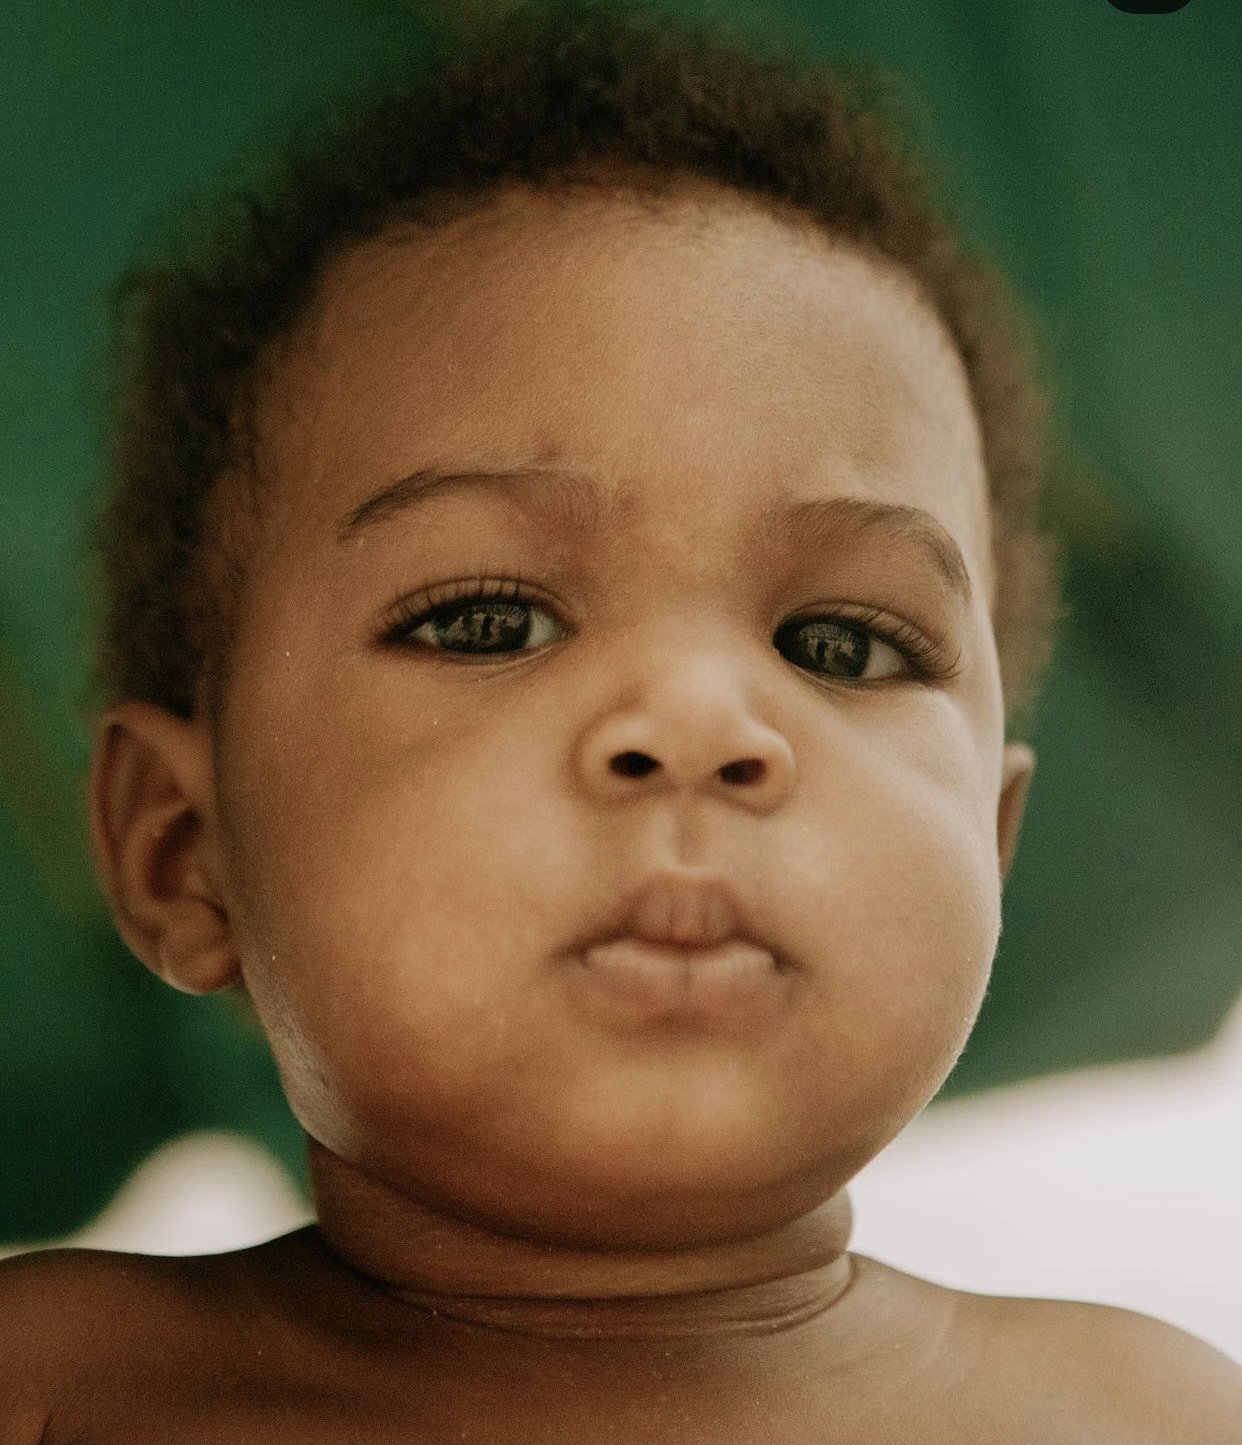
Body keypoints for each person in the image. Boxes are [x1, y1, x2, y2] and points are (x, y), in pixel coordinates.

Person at [4, 1, 1239, 1439]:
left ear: (995, 843)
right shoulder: (57, 1382)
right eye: (485, 621)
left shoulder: (1137, 1410)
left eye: (843, 643)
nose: (701, 718)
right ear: (180, 849)